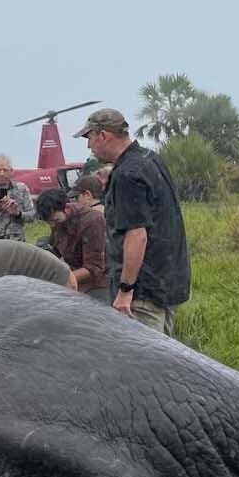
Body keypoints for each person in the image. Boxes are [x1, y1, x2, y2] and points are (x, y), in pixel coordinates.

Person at [73, 107, 190, 334]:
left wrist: (126, 290)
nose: (89, 146)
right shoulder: (150, 159)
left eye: (89, 138)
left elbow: (137, 235)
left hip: (143, 290)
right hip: (168, 279)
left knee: (143, 364)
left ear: (103, 135)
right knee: (165, 358)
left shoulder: (127, 174)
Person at [35, 188, 110, 303]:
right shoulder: (57, 220)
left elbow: (94, 268)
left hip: (97, 283)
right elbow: (55, 251)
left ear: (65, 208)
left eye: (55, 220)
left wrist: (58, 280)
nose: (52, 225)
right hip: (73, 276)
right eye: (49, 222)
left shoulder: (92, 221)